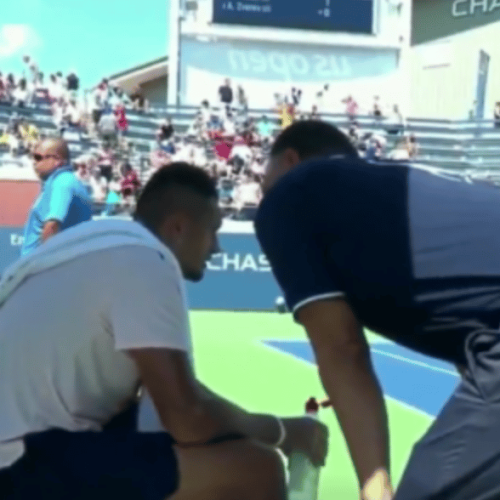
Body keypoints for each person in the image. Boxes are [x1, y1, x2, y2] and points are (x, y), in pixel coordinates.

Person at [0, 163, 329, 500]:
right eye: (212, 230)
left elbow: (174, 399)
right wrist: (282, 431)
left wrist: (255, 426)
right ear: (178, 227)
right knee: (256, 468)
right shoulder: (144, 261)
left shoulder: (99, 243)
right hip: (22, 464)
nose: (217, 248)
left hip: (35, 447)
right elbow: (187, 417)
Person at [254, 120, 500, 500]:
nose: (262, 188)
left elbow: (342, 350)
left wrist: (375, 487)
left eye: (263, 176)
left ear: (290, 160)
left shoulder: (291, 193)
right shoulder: (411, 185)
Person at [21, 138, 92, 256]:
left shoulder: (62, 182)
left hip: (39, 267)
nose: (34, 162)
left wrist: (43, 265)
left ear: (57, 160)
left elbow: (53, 224)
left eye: (38, 157)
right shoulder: (63, 182)